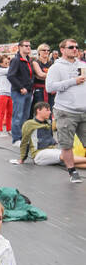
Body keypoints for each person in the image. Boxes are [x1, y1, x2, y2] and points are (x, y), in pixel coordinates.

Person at [45, 38, 86, 184]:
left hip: (84, 110)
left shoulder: (82, 64)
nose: (75, 49)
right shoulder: (56, 67)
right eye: (71, 47)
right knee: (66, 144)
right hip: (66, 111)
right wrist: (73, 81)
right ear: (62, 50)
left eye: (76, 47)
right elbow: (50, 88)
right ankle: (72, 171)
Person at [15, 102, 86, 169]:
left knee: (70, 163)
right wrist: (22, 158)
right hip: (40, 154)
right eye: (47, 110)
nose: (50, 112)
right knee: (66, 157)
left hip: (52, 151)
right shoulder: (29, 124)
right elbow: (24, 142)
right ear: (38, 110)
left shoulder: (48, 123)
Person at [7, 38, 35, 145]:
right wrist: (20, 88)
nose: (28, 47)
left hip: (28, 91)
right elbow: (11, 76)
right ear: (20, 47)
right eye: (26, 46)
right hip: (19, 92)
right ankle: (16, 139)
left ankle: (23, 137)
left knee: (26, 116)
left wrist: (29, 88)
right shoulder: (16, 60)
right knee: (18, 116)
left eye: (29, 46)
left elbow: (31, 76)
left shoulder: (29, 60)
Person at [30, 43, 53, 114]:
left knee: (50, 109)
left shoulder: (51, 63)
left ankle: (48, 124)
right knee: (40, 110)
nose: (46, 52)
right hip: (39, 90)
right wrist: (51, 76)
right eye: (44, 50)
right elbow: (40, 74)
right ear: (39, 51)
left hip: (50, 90)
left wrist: (44, 76)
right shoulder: (35, 62)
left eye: (48, 50)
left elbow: (43, 75)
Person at [0, 52, 13, 135]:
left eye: (8, 63)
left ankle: (9, 129)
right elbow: (10, 70)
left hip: (10, 94)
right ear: (0, 63)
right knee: (1, 113)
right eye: (5, 63)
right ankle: (0, 130)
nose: (7, 64)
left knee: (9, 113)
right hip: (2, 94)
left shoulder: (9, 69)